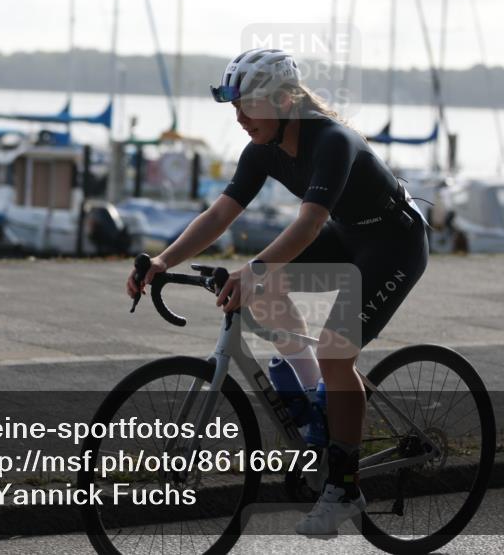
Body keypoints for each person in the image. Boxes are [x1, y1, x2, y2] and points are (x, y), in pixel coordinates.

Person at [126, 47, 429, 536]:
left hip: (394, 243)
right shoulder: (262, 149)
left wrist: (255, 268)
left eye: (250, 105)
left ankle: (345, 486)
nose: (240, 117)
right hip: (350, 234)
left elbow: (309, 224)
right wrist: (162, 261)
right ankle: (317, 414)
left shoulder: (331, 141)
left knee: (334, 350)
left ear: (286, 101)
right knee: (265, 293)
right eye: (235, 106)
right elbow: (220, 215)